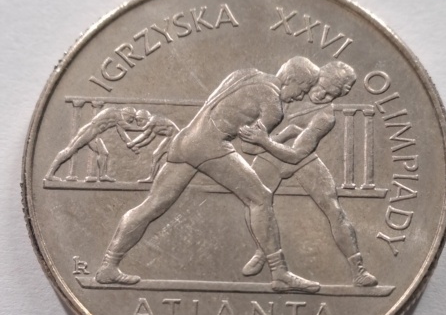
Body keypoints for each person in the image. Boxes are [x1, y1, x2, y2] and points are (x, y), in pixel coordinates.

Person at [95, 57, 322, 293]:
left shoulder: (245, 72)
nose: (301, 97)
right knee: (261, 197)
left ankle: (107, 266)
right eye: (303, 89)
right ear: (291, 79)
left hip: (184, 140)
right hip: (210, 146)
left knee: (152, 205)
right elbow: (249, 147)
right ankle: (280, 274)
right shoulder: (273, 105)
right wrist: (273, 143)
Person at [238, 61, 377, 287]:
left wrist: (266, 141)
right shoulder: (289, 89)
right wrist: (282, 135)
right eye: (322, 87)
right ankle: (264, 250)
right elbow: (250, 144)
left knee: (333, 209)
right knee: (253, 201)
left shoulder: (325, 116)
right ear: (316, 77)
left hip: (301, 159)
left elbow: (295, 155)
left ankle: (358, 271)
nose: (323, 95)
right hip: (270, 155)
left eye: (332, 94)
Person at [46, 106, 137, 181]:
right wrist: (143, 128)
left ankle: (102, 176)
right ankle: (49, 174)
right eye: (131, 118)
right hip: (88, 131)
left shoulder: (117, 117)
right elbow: (126, 126)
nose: (131, 120)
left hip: (93, 134)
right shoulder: (116, 114)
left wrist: (130, 142)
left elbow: (122, 132)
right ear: (126, 113)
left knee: (104, 153)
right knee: (69, 151)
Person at [126, 109, 180, 182]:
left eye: (140, 120)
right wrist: (138, 146)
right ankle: (152, 178)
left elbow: (144, 132)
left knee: (158, 155)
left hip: (176, 137)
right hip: (171, 137)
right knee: (156, 156)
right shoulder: (154, 127)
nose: (138, 123)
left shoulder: (153, 120)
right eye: (137, 121)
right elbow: (148, 139)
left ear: (146, 118)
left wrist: (132, 143)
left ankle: (157, 178)